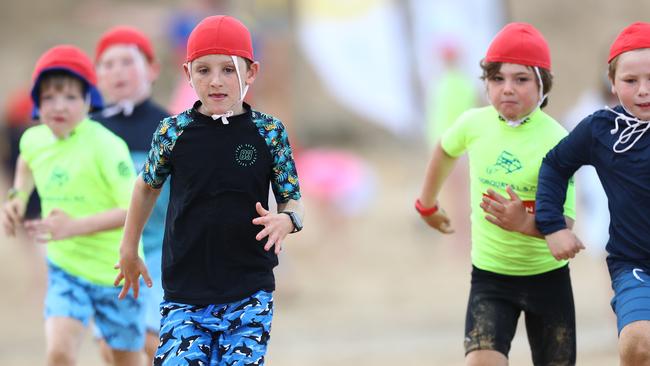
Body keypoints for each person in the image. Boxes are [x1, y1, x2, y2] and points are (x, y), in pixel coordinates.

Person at [115, 15, 304, 365]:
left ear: (251, 73)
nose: (216, 81)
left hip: (249, 293)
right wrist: (129, 248)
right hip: (184, 295)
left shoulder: (269, 133)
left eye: (228, 70)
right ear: (187, 74)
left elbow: (293, 197)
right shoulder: (172, 132)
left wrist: (288, 219)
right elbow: (145, 187)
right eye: (204, 71)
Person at [416, 23, 577, 366]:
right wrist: (427, 205)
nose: (507, 89)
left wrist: (525, 224)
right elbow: (445, 150)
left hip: (548, 280)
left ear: (542, 84)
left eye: (521, 79)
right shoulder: (473, 124)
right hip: (490, 278)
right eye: (497, 79)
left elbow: (566, 225)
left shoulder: (559, 141)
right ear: (486, 83)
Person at [1, 45, 144, 365]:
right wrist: (17, 198)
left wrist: (72, 227)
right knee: (58, 352)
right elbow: (26, 162)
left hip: (116, 272)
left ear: (88, 99)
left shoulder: (108, 146)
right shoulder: (34, 139)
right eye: (49, 97)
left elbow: (131, 210)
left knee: (123, 359)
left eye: (69, 97)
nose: (58, 106)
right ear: (36, 102)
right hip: (66, 269)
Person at [534, 22, 650, 366]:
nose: (644, 90)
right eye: (631, 81)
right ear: (612, 83)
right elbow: (555, 166)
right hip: (635, 265)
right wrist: (553, 226)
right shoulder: (600, 129)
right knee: (637, 343)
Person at [92, 25, 170, 364]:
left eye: (127, 61)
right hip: (106, 255)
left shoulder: (171, 127)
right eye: (108, 64)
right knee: (112, 351)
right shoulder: (89, 131)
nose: (117, 71)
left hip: (159, 252)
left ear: (151, 69)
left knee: (153, 341)